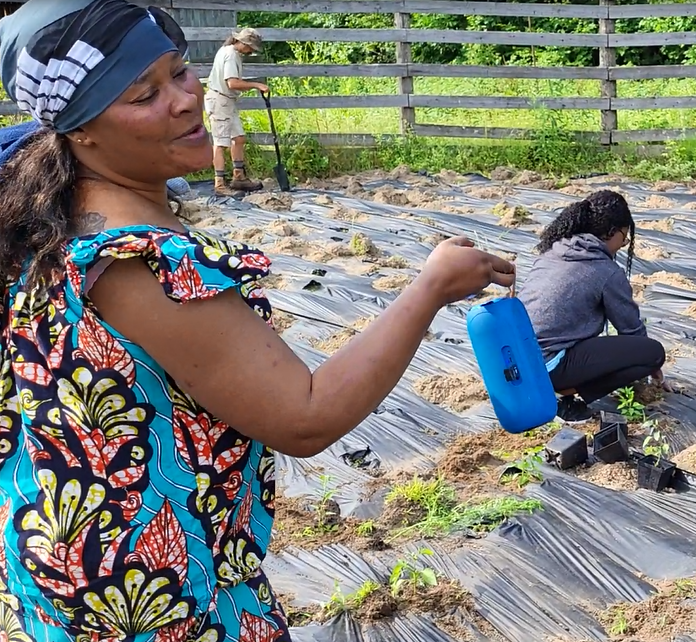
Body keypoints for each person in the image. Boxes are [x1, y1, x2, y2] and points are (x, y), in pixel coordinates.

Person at [0, 2, 515, 641]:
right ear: (80, 130)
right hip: (153, 594)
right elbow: (304, 416)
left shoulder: (47, 214)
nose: (186, 100)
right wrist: (431, 287)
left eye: (180, 72)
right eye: (144, 94)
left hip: (66, 554)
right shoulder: (134, 262)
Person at [519, 190, 667, 422]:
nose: (624, 244)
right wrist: (651, 365)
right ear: (611, 232)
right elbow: (630, 329)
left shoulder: (552, 253)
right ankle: (570, 400)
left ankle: (563, 389)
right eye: (624, 237)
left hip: (519, 361)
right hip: (549, 366)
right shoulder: (605, 270)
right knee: (653, 352)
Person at [205, 26, 268, 196]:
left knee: (239, 138)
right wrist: (256, 84)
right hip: (220, 101)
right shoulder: (231, 55)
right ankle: (219, 184)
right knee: (220, 143)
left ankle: (238, 177)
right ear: (243, 43)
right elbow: (232, 83)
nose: (250, 51)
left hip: (227, 101)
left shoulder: (229, 51)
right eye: (250, 47)